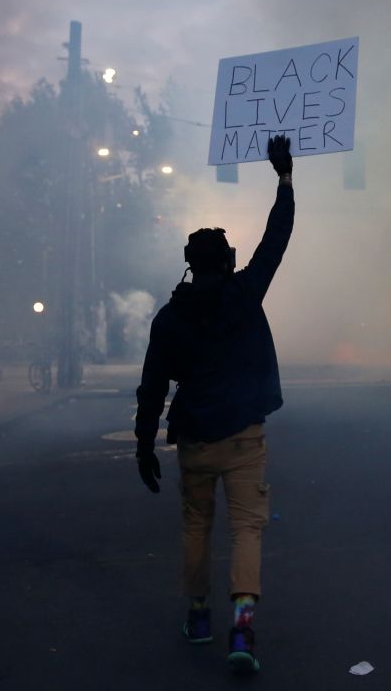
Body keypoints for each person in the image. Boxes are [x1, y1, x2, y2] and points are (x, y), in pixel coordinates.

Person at [134, 135, 295, 674]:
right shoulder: (245, 292)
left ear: (188, 265)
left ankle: (199, 616)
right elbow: (276, 239)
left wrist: (143, 443)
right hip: (244, 437)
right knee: (247, 527)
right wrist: (284, 178)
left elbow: (153, 384)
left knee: (196, 525)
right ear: (227, 261)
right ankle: (243, 627)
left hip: (196, 439)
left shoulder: (169, 318)